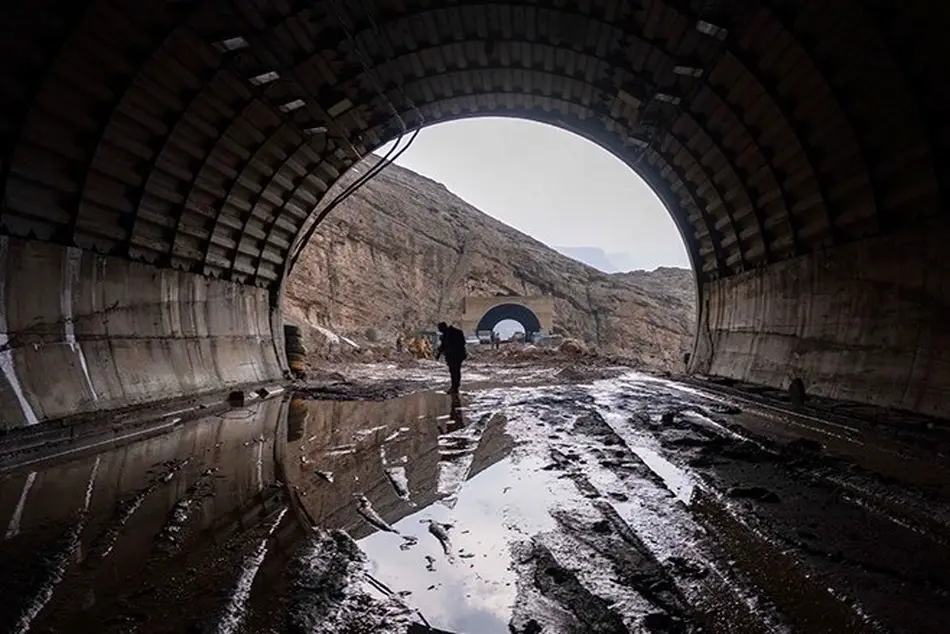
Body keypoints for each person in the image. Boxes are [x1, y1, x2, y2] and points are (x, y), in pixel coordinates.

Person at [435, 321, 467, 394]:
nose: (439, 330)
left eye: (440, 329)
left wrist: (438, 354)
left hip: (453, 355)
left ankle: (454, 387)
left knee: (453, 371)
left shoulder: (447, 335)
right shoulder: (458, 332)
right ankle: (455, 386)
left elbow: (443, 346)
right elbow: (463, 343)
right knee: (457, 370)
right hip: (459, 355)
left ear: (443, 327)